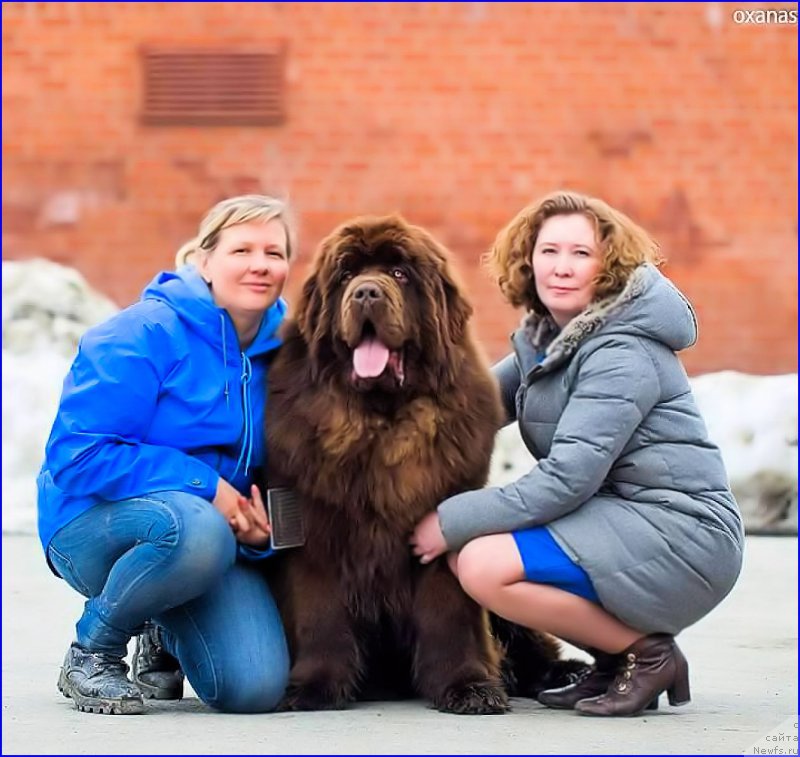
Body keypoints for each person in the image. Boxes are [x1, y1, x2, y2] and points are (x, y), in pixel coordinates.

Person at [410, 190, 744, 717]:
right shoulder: (549, 338)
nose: (561, 267)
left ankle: (647, 654)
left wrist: (447, 520)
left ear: (610, 266)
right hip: (619, 519)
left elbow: (566, 480)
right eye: (549, 251)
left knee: (481, 563)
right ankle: (613, 660)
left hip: (683, 532)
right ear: (527, 260)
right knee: (472, 553)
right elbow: (472, 408)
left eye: (581, 253)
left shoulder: (622, 349)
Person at [37, 195, 295, 714]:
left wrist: (267, 532)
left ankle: (160, 624)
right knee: (196, 529)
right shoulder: (143, 332)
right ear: (203, 261)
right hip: (94, 523)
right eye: (242, 250)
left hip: (210, 538)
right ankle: (94, 651)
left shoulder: (290, 352)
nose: (260, 265)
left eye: (275, 252)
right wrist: (208, 486)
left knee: (254, 687)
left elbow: (290, 466)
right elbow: (76, 455)